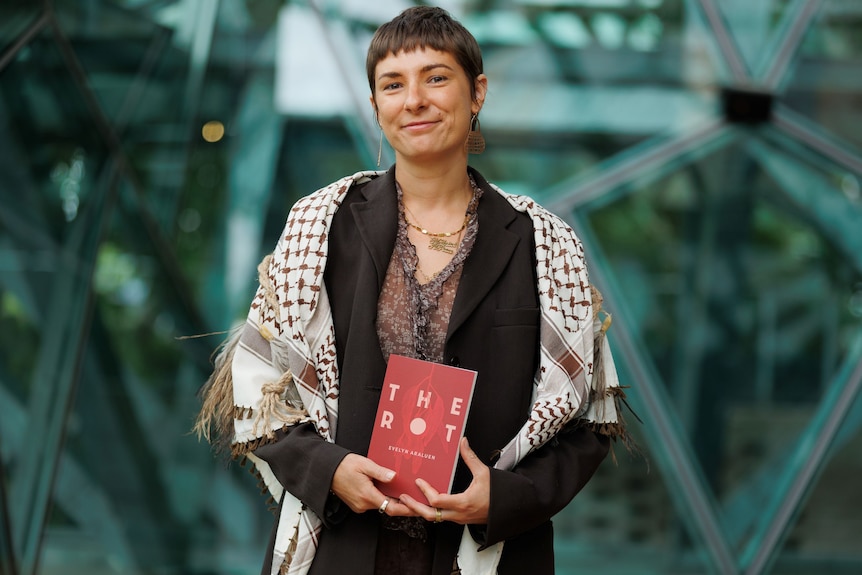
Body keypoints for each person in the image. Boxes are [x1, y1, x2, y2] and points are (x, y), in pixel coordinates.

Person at [195, 6, 629, 575]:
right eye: (393, 85)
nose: (414, 100)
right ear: (376, 106)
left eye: (437, 78)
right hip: (342, 548)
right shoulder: (322, 226)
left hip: (488, 555)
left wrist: (505, 497)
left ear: (477, 93)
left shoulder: (543, 243)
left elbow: (587, 423)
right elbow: (260, 392)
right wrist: (329, 471)